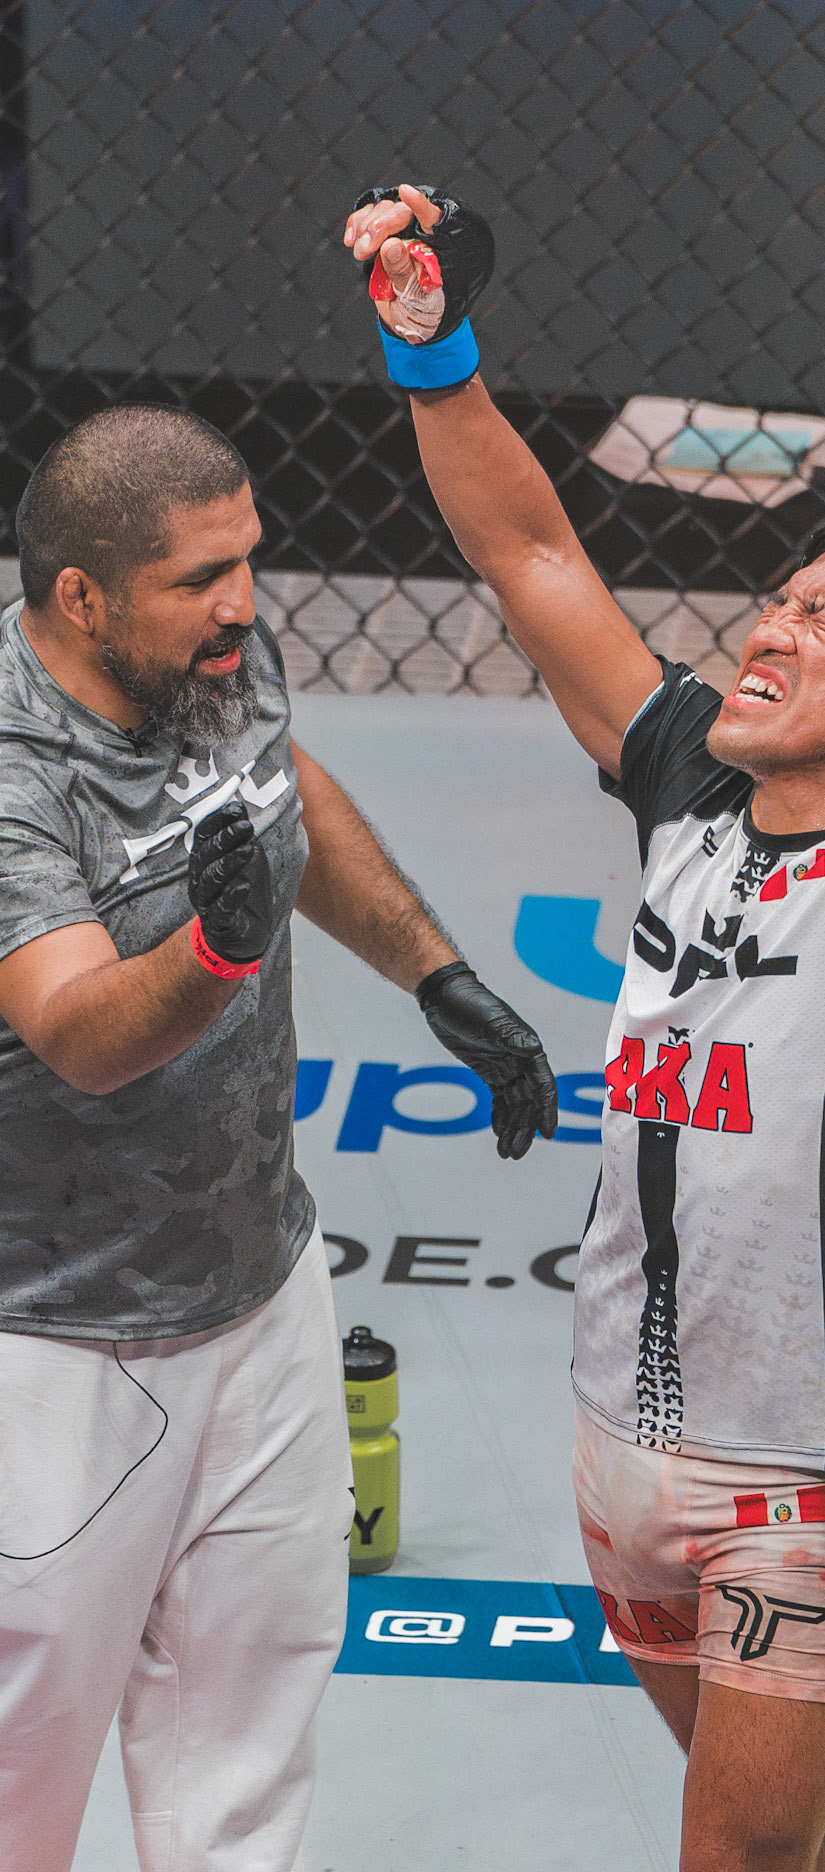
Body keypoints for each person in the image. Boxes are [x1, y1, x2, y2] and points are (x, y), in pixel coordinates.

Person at [341, 181, 825, 1870]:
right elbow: (531, 555)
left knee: (737, 1856)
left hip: (798, 1467)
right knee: (798, 1828)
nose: (770, 628)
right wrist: (435, 354)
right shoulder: (690, 780)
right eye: (778, 599)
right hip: (610, 1427)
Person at [0, 403, 558, 1872]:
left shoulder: (208, 657)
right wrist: (217, 954)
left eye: (249, 558)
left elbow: (283, 790)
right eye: (202, 576)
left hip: (257, 1286)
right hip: (51, 1339)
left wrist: (436, 971)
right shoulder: (13, 767)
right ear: (83, 597)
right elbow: (78, 1032)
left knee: (245, 1755)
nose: (244, 601)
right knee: (17, 1771)